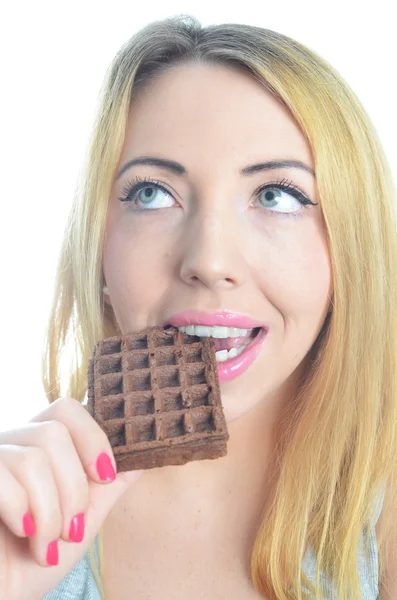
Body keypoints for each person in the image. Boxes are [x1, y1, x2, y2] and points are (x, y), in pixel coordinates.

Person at [0, 13, 396, 600]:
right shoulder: (19, 511)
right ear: (99, 246)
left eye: (276, 195)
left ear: (350, 252)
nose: (209, 260)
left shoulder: (381, 518)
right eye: (152, 193)